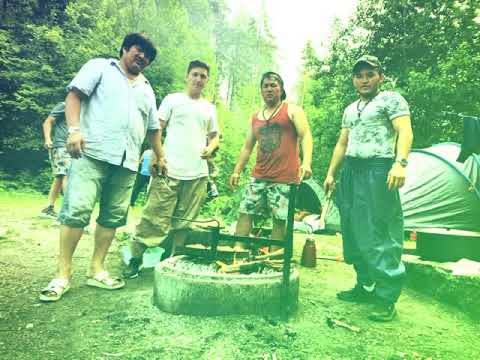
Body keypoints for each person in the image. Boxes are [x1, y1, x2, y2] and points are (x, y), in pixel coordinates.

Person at [39, 33, 160, 302]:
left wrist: (159, 157)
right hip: (91, 153)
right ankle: (62, 274)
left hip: (127, 162)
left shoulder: (147, 89)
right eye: (139, 50)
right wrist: (73, 130)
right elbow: (73, 97)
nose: (143, 57)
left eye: (148, 56)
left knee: (112, 217)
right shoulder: (100, 67)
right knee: (76, 211)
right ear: (126, 48)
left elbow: (153, 129)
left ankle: (97, 269)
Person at [323, 55, 413, 322]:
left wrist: (400, 163)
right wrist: (330, 173)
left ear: (380, 77)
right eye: (359, 75)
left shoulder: (391, 100)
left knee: (378, 232)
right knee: (350, 230)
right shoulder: (350, 109)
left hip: (378, 169)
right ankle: (365, 286)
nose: (364, 80)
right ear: (353, 79)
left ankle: (386, 298)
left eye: (369, 75)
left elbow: (405, 131)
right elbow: (342, 143)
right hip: (351, 171)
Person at [123, 60, 220, 279]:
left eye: (203, 76)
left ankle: (172, 261)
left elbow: (215, 136)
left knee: (185, 220)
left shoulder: (209, 108)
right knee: (154, 216)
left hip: (197, 173)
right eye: (195, 74)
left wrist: (210, 147)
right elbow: (156, 128)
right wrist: (156, 155)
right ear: (187, 76)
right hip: (169, 169)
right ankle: (135, 259)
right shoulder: (172, 99)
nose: (198, 79)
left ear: (207, 80)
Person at [229, 72, 313, 249]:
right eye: (265, 86)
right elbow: (247, 147)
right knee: (245, 211)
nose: (269, 89)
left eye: (273, 85)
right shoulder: (256, 117)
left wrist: (306, 163)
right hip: (259, 175)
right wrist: (237, 171)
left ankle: (274, 255)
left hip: (285, 177)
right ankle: (238, 250)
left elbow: (305, 136)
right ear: (261, 90)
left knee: (280, 219)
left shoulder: (292, 110)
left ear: (281, 89)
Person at [40, 102, 71, 218]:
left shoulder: (84, 109)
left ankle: (49, 208)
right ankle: (67, 210)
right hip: (62, 146)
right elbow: (47, 122)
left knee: (59, 177)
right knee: (68, 175)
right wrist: (48, 139)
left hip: (73, 147)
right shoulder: (64, 105)